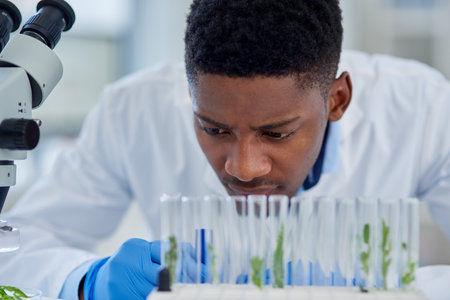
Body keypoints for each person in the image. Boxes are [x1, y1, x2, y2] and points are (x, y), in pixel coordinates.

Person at [1, 0, 450, 299]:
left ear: (337, 100)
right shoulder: (136, 109)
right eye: (213, 129)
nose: (245, 168)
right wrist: (88, 282)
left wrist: (407, 288)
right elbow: (15, 250)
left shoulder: (420, 108)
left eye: (277, 133)